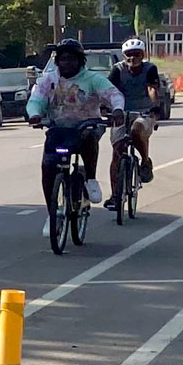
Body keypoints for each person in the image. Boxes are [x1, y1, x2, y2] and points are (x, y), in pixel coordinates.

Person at [26, 38, 125, 233]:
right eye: (63, 59)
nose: (67, 63)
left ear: (80, 61)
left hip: (87, 125)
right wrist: (34, 114)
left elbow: (114, 95)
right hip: (59, 128)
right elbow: (35, 99)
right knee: (48, 166)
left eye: (72, 59)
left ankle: (90, 179)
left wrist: (118, 110)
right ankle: (53, 214)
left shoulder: (93, 79)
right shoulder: (48, 80)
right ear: (57, 61)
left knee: (88, 136)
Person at [104, 37, 160, 209]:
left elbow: (152, 88)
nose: (132, 58)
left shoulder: (150, 68)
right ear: (123, 55)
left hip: (144, 111)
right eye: (129, 55)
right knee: (117, 152)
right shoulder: (117, 69)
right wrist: (104, 107)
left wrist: (155, 106)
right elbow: (108, 90)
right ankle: (115, 195)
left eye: (136, 54)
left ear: (142, 55)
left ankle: (145, 161)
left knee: (137, 130)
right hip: (121, 112)